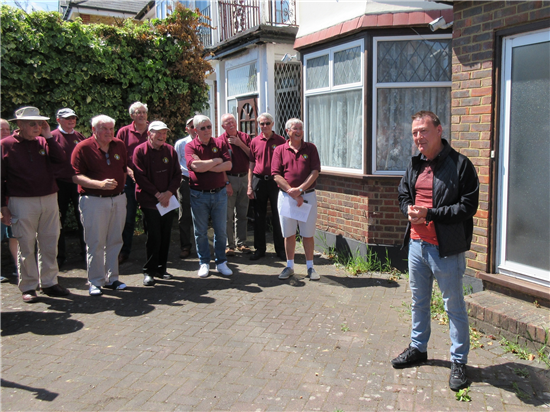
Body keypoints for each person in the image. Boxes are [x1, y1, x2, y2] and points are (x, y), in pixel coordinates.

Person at [392, 110, 479, 392]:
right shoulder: (415, 164)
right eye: (415, 132)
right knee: (418, 301)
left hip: (446, 250)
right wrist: (408, 208)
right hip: (417, 245)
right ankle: (418, 348)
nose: (418, 136)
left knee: (453, 307)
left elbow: (467, 207)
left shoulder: (460, 165)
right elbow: (403, 192)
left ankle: (459, 361)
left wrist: (430, 213)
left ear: (439, 130)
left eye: (423, 131)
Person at [0, 107, 70, 303]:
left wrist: (48, 136)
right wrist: (2, 206)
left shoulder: (44, 142)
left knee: (49, 241)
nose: (37, 126)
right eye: (32, 123)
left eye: (40, 123)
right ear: (20, 125)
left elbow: (61, 160)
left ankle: (49, 282)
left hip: (49, 198)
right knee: (26, 244)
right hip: (21, 201)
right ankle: (29, 286)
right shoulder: (5, 145)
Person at [72, 115, 128, 296]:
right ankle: (95, 281)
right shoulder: (83, 148)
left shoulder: (119, 145)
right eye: (104, 128)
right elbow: (75, 176)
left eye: (111, 128)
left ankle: (112, 278)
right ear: (94, 130)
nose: (109, 132)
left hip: (118, 199)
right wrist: (100, 185)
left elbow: (123, 169)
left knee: (115, 240)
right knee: (95, 242)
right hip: (94, 200)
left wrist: (118, 191)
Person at [271, 118, 321, 281]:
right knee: (289, 233)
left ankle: (310, 267)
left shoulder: (311, 148)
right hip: (286, 198)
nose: (298, 131)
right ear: (287, 131)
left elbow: (315, 172)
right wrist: (291, 191)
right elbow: (276, 174)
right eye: (295, 128)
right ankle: (290, 266)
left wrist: (300, 190)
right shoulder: (279, 150)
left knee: (307, 234)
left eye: (300, 128)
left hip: (307, 197)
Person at [133, 121, 181, 286]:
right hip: (149, 201)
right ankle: (149, 271)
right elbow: (140, 177)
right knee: (154, 236)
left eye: (164, 133)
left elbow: (177, 174)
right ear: (149, 134)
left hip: (168, 200)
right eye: (158, 133)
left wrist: (168, 193)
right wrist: (157, 194)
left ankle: (161, 269)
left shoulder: (170, 150)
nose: (162, 136)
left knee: (166, 235)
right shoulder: (140, 151)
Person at [185, 115, 233, 278]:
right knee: (201, 232)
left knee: (221, 230)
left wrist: (206, 165)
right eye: (203, 128)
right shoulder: (190, 146)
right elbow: (195, 167)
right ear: (196, 130)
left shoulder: (220, 143)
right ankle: (204, 262)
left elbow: (228, 165)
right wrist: (216, 160)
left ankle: (221, 262)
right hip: (199, 195)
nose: (207, 130)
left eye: (209, 127)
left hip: (219, 193)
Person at [247, 113, 286, 261]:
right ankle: (259, 249)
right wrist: (250, 185)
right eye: (262, 124)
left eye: (267, 123)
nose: (265, 126)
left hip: (275, 182)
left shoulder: (281, 141)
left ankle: (280, 250)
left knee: (278, 216)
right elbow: (251, 164)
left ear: (273, 123)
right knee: (258, 216)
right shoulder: (255, 141)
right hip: (259, 181)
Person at [51, 108, 86, 267]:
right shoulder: (51, 137)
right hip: (60, 184)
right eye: (67, 119)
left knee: (83, 220)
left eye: (73, 118)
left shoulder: (78, 136)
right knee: (58, 220)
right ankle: (59, 256)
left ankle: (86, 254)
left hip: (78, 183)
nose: (71, 121)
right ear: (58, 120)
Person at [116, 101, 149, 264]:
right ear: (132, 116)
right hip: (129, 181)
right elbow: (118, 155)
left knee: (150, 216)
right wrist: (130, 172)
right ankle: (124, 251)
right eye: (138, 112)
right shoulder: (123, 132)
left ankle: (152, 251)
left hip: (150, 181)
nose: (141, 115)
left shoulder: (153, 130)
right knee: (127, 218)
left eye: (143, 112)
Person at [218, 113, 251, 256]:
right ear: (223, 126)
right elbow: (220, 164)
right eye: (227, 122)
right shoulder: (219, 141)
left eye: (232, 121)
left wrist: (239, 143)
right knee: (228, 215)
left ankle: (241, 242)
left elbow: (252, 155)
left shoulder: (245, 137)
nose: (231, 124)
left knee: (242, 213)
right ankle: (228, 245)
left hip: (244, 178)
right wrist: (226, 183)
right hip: (229, 179)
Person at [174, 117, 196, 259]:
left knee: (202, 214)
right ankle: (185, 246)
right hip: (185, 180)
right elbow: (176, 164)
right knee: (185, 215)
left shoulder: (208, 142)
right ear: (186, 129)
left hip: (203, 181)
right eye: (191, 126)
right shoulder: (181, 143)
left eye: (197, 125)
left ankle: (203, 246)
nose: (195, 128)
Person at [0, 118, 18, 282]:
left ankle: (19, 268)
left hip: (12, 200)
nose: (5, 132)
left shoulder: (11, 148)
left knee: (15, 236)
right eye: (1, 129)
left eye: (7, 129)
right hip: (1, 202)